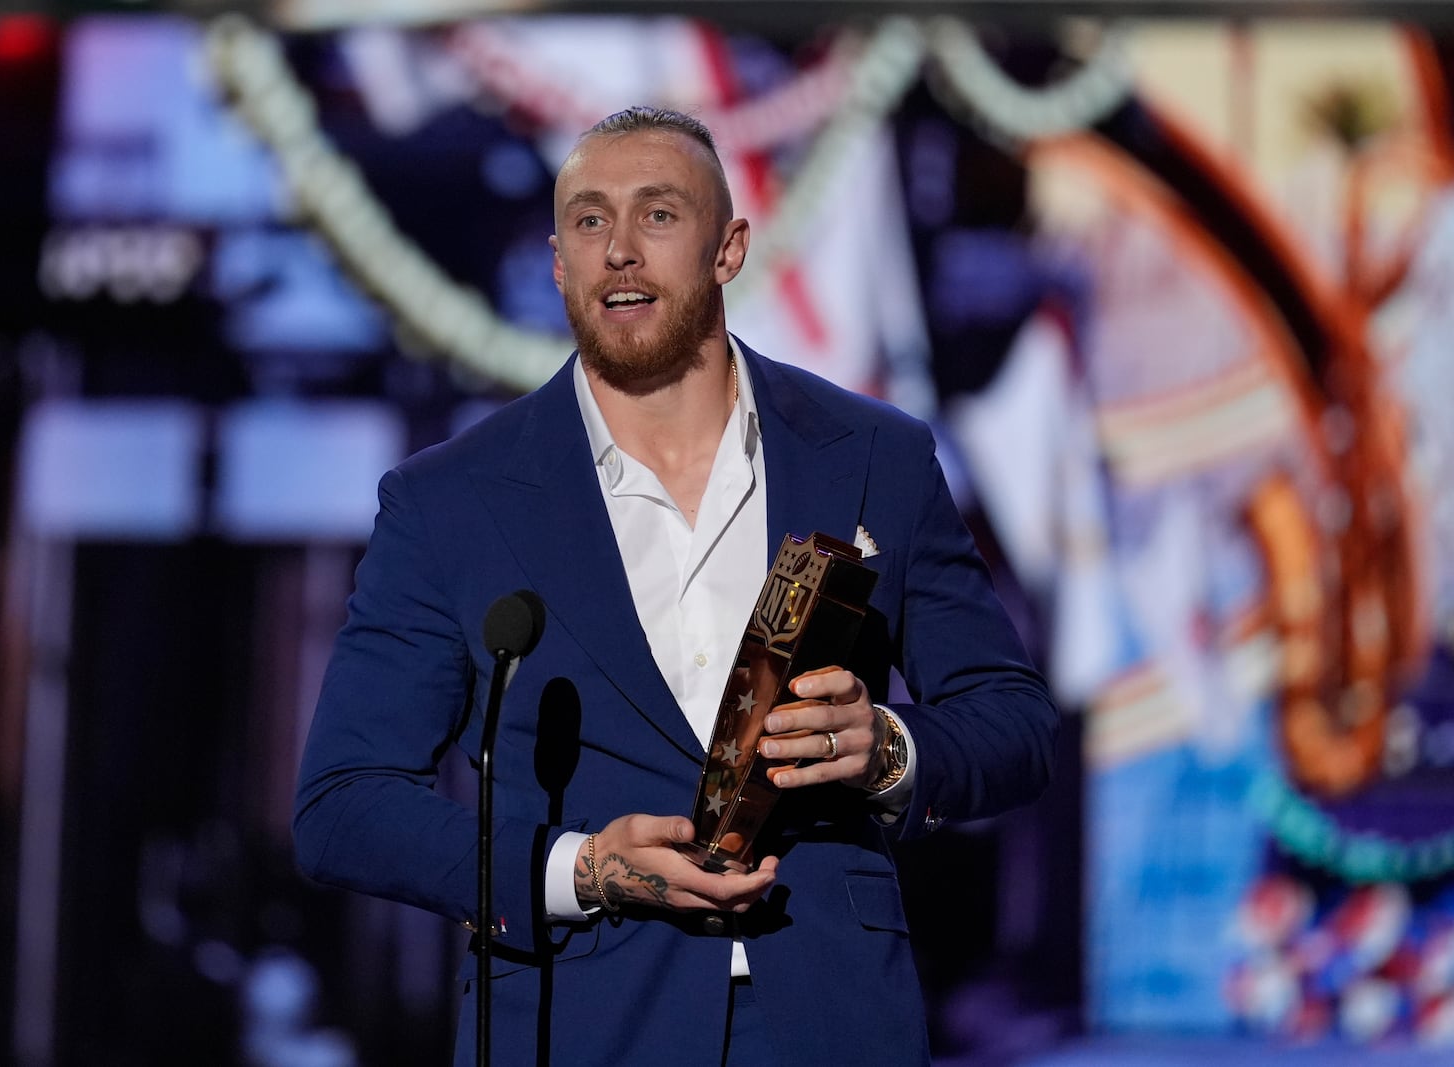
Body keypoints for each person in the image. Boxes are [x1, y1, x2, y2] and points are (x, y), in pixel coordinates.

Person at [294, 106, 1057, 1066]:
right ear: (559, 260)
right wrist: (584, 869)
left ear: (730, 247)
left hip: (832, 1017)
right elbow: (343, 806)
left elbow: (1013, 722)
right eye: (588, 220)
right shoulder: (449, 501)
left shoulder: (874, 458)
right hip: (578, 1020)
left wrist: (888, 747)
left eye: (657, 215)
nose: (618, 249)